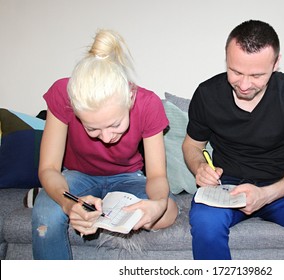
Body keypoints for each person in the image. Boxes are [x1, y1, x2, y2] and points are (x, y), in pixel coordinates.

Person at [182, 20, 284, 260]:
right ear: (226, 58)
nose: (245, 85)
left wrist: (267, 194)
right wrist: (200, 167)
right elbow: (192, 146)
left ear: (276, 64)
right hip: (227, 187)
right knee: (205, 222)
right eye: (236, 72)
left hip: (282, 186)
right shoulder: (207, 94)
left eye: (257, 75)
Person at [32, 29, 178, 259]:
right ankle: (53, 195)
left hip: (128, 177)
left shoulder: (148, 103)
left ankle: (59, 196)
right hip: (78, 175)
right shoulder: (62, 94)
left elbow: (157, 176)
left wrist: (158, 204)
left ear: (129, 99)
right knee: (46, 213)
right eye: (92, 129)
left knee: (168, 213)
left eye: (115, 124)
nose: (107, 137)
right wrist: (69, 205)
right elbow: (49, 168)